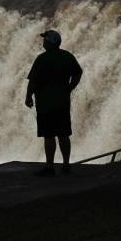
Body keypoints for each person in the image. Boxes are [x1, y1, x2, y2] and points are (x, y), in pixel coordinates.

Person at [25, 29, 83, 176]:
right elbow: (78, 73)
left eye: (45, 39)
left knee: (49, 135)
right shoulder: (67, 56)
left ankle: (50, 167)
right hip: (62, 102)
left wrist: (28, 96)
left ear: (50, 42)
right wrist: (70, 88)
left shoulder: (42, 59)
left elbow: (33, 81)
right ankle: (66, 165)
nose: (43, 41)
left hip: (45, 103)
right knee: (63, 134)